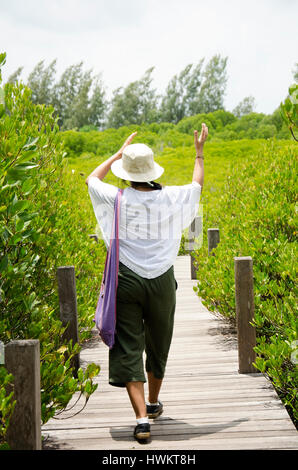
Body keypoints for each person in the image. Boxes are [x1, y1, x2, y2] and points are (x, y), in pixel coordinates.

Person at [85, 123, 208, 442]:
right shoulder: (171, 197)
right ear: (152, 170)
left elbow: (91, 179)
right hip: (162, 282)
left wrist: (115, 154)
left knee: (128, 346)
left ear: (125, 173)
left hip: (126, 280)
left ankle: (141, 420)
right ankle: (153, 403)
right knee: (158, 341)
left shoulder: (116, 197)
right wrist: (199, 153)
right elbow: (196, 186)